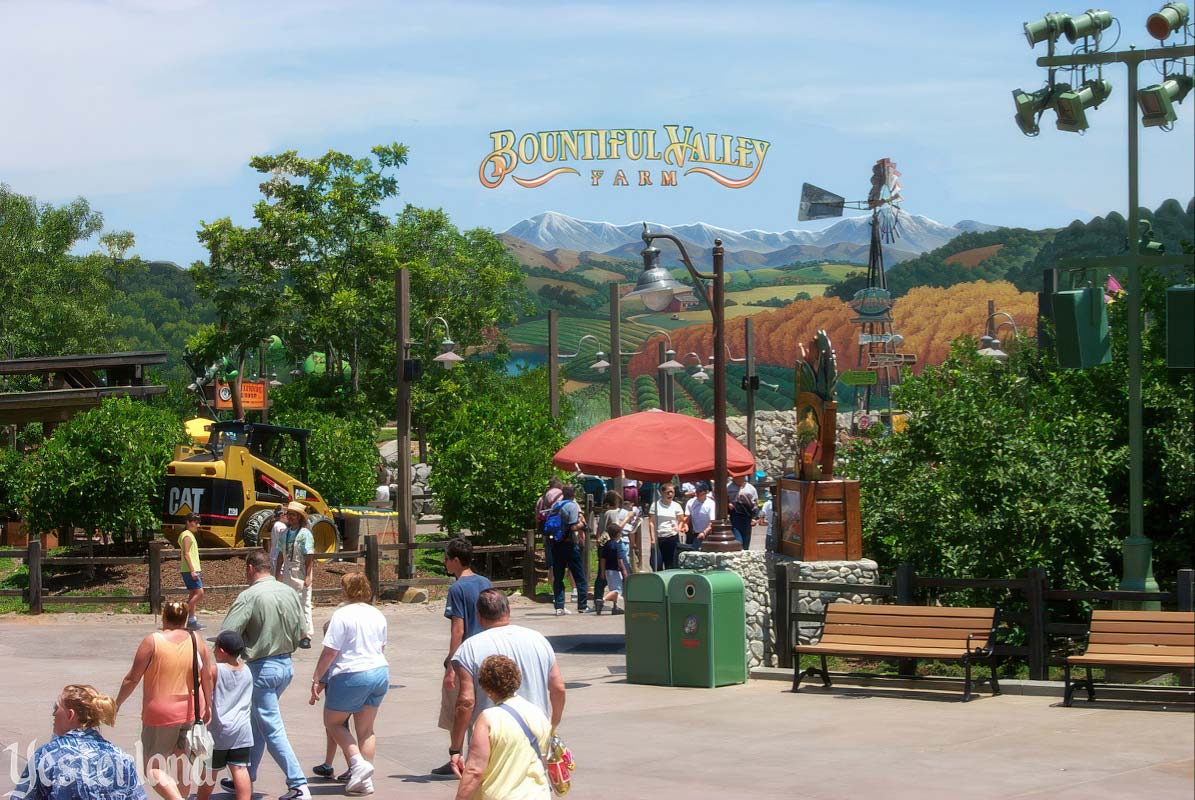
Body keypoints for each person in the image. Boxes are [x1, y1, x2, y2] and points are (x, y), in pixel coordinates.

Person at [220, 549, 309, 800]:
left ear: (250, 568)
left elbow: (228, 634)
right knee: (257, 722)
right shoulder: (289, 591)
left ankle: (299, 785)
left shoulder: (250, 595)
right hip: (286, 665)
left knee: (270, 727)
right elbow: (303, 630)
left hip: (262, 667)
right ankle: (248, 774)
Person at [448, 589, 565, 778]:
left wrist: (456, 747)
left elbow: (466, 701)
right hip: (535, 730)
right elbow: (558, 688)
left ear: (478, 615)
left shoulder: (469, 648)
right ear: (508, 610)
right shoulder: (538, 639)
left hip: (493, 735)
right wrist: (553, 724)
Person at [115, 600, 213, 800]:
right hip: (193, 711)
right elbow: (208, 676)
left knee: (152, 768)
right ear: (185, 618)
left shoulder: (153, 641)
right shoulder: (197, 640)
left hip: (161, 713)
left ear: (163, 617)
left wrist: (117, 704)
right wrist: (209, 705)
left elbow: (132, 678)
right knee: (182, 766)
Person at [308, 573, 389, 796]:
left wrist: (317, 677)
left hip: (352, 673)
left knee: (333, 723)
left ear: (346, 591)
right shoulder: (377, 614)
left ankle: (357, 764)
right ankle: (364, 780)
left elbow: (330, 651)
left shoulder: (341, 615)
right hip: (379, 671)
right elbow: (381, 647)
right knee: (366, 729)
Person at [11, 684, 148, 800]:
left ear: (70, 714)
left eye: (56, 708)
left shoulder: (48, 755)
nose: (53, 714)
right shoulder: (121, 757)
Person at [431, 538, 493, 777]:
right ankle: (481, 756)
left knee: (459, 707)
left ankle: (457, 756)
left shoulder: (457, 588)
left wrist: (451, 664)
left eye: (446, 558)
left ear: (456, 560)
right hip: (488, 652)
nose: (444, 562)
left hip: (466, 656)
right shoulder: (485, 582)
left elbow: (458, 628)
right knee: (482, 707)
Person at [452, 655, 551, 800]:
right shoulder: (538, 713)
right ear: (517, 680)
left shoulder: (488, 719)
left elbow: (475, 770)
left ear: (486, 687)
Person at [197, 631, 254, 800]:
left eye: (215, 647)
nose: (213, 651)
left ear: (222, 651)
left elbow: (203, 689)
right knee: (240, 769)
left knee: (209, 771)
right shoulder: (247, 670)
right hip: (242, 730)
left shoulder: (215, 670)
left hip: (218, 731)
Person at [272, 501, 315, 649]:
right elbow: (280, 553)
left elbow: (309, 556)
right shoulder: (284, 533)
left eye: (293, 515)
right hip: (287, 571)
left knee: (304, 602)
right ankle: (289, 632)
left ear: (299, 517)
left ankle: (306, 635)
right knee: (287, 602)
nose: (290, 517)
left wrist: (308, 576)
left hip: (300, 570)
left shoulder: (305, 534)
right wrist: (277, 572)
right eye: (288, 514)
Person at [547, 485, 589, 615]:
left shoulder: (556, 505)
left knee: (558, 576)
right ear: (574, 494)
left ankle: (559, 606)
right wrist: (583, 525)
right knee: (580, 576)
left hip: (556, 544)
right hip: (569, 545)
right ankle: (582, 605)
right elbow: (572, 527)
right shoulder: (572, 506)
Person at [592, 491, 623, 614]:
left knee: (602, 574)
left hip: (603, 546)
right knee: (615, 576)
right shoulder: (613, 513)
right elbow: (616, 528)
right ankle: (614, 603)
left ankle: (598, 598)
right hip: (612, 546)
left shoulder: (603, 513)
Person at [178, 512, 205, 631]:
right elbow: (186, 553)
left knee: (193, 594)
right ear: (188, 522)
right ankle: (179, 614)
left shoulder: (188, 534)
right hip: (190, 570)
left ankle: (192, 620)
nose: (197, 525)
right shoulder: (187, 535)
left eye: (198, 522)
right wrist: (192, 570)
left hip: (191, 569)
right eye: (195, 522)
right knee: (200, 593)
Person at [648, 483, 684, 570]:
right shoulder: (655, 505)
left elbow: (681, 520)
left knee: (671, 564)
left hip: (672, 537)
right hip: (659, 538)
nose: (670, 495)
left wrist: (678, 528)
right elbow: (651, 522)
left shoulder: (676, 506)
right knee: (657, 564)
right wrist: (652, 539)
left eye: (672, 492)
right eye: (668, 492)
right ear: (662, 493)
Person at [534, 478, 563, 570]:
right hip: (559, 524)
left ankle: (550, 565)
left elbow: (537, 515)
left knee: (548, 544)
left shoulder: (542, 498)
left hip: (546, 524)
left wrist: (538, 527)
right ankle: (560, 563)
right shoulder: (561, 495)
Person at [598, 526, 628, 615]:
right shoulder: (618, 545)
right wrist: (624, 571)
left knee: (612, 588)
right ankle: (602, 601)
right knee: (617, 590)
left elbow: (603, 559)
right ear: (618, 534)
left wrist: (602, 571)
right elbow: (620, 560)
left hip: (607, 570)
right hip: (615, 570)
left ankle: (615, 607)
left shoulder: (606, 544)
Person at [727, 474, 759, 549]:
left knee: (746, 540)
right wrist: (727, 504)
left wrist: (754, 518)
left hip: (747, 516)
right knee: (738, 540)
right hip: (734, 516)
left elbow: (755, 503)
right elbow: (721, 499)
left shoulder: (750, 488)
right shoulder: (728, 487)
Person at [684, 481, 716, 547]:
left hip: (708, 534)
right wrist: (685, 525)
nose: (697, 494)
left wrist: (704, 532)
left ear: (706, 492)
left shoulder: (711, 503)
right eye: (697, 492)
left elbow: (712, 522)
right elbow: (687, 517)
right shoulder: (690, 502)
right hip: (694, 533)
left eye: (700, 492)